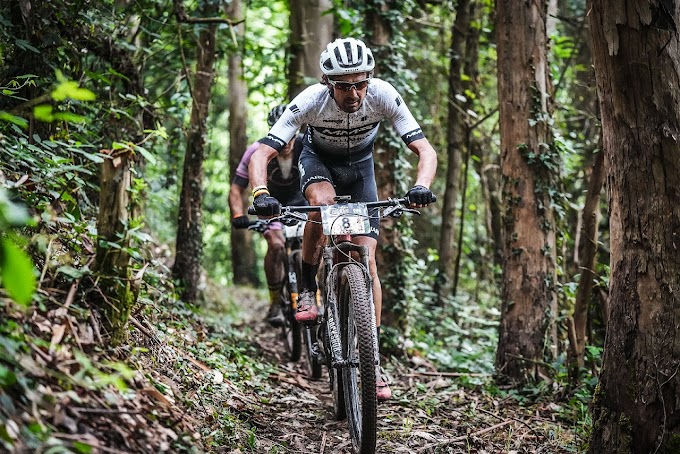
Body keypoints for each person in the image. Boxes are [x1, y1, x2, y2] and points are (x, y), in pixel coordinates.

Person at [248, 38, 437, 400]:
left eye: (360, 83)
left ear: (370, 79)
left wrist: (421, 185)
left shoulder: (383, 94)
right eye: (343, 86)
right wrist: (260, 193)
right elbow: (262, 153)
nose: (354, 93)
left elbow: (424, 150)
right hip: (317, 161)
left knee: (368, 260)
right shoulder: (308, 101)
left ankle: (373, 360)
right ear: (326, 82)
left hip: (361, 169)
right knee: (323, 202)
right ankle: (306, 289)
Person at [228, 104, 305, 327]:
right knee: (277, 245)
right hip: (270, 205)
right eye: (283, 134)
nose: (287, 142)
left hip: (301, 203)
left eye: (292, 135)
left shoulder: (306, 146)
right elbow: (236, 189)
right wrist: (237, 216)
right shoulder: (257, 150)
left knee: (315, 241)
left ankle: (313, 291)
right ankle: (274, 303)